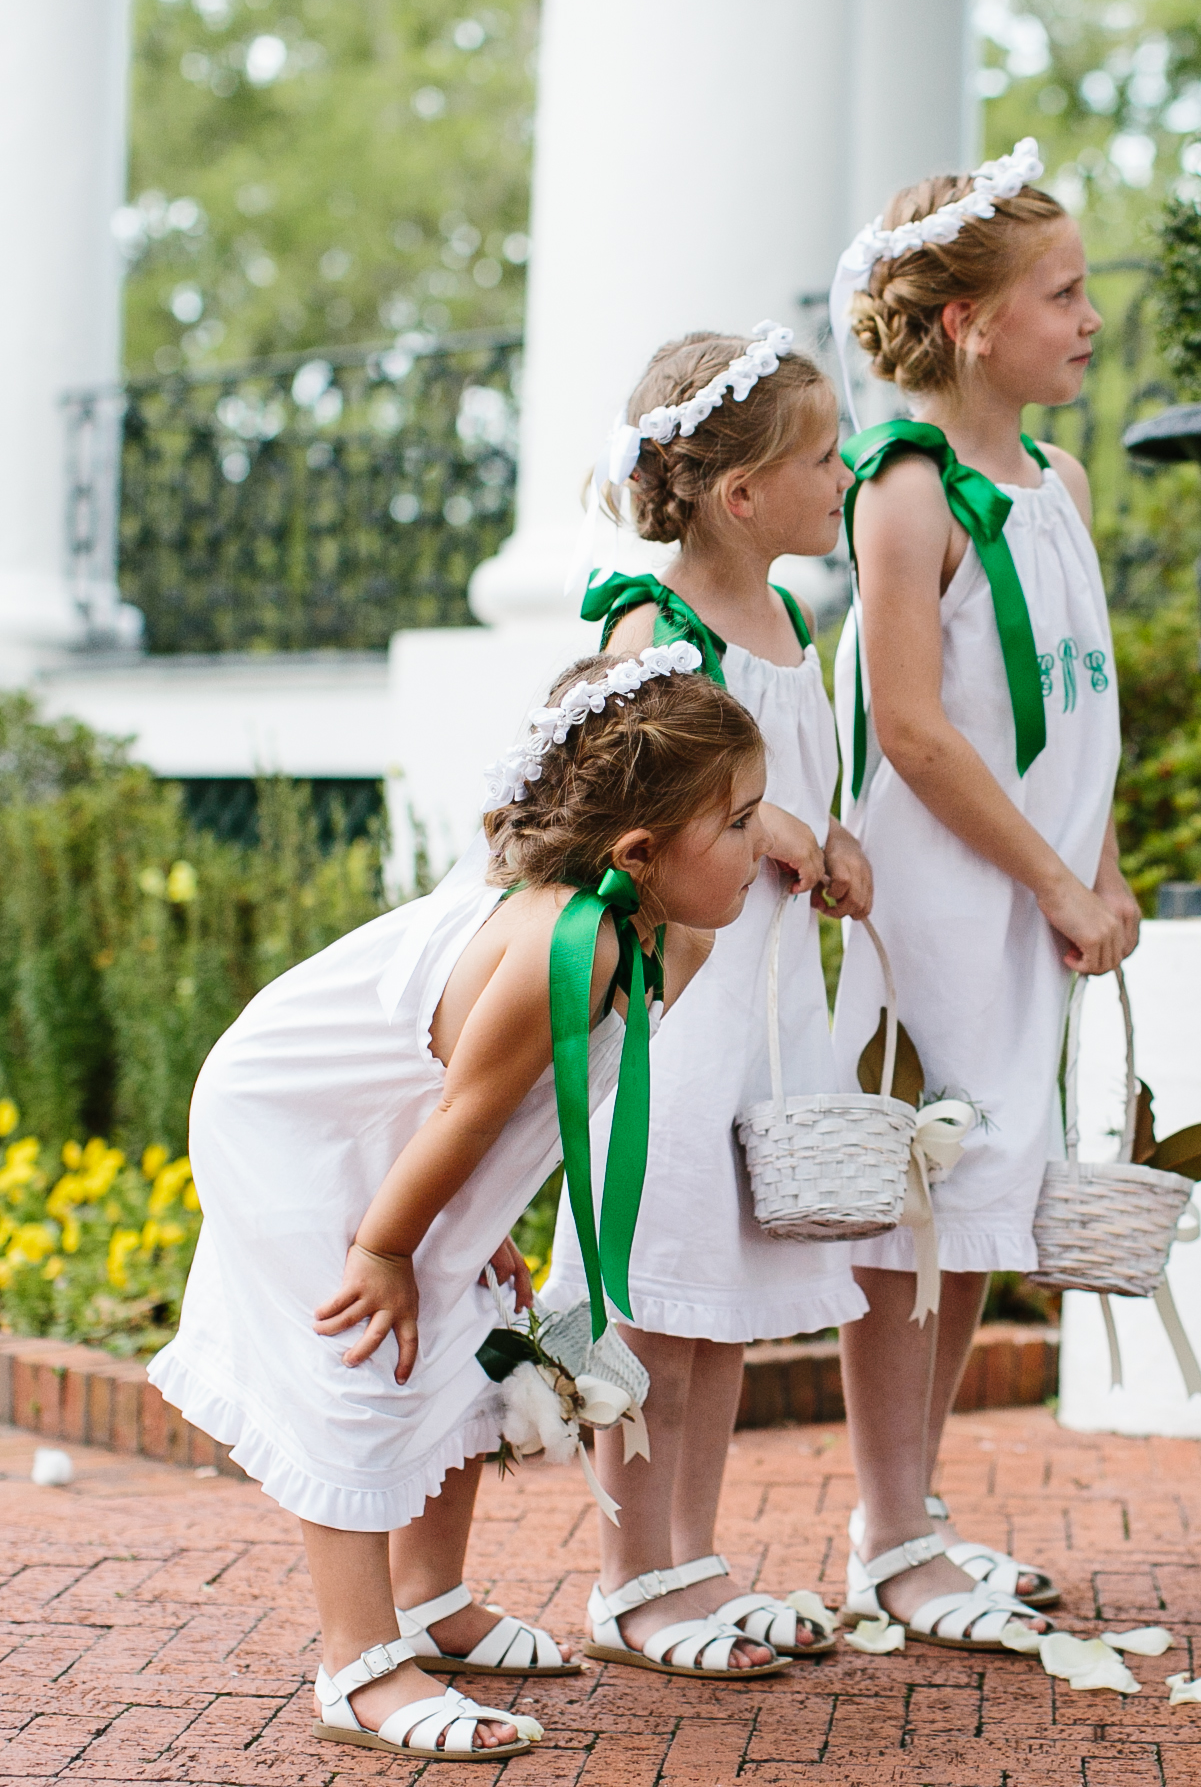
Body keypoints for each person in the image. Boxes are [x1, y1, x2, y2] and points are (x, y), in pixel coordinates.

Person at [148, 652, 767, 1756]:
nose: (762, 842)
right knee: (368, 1362)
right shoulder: (561, 952)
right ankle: (357, 1662)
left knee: (468, 1336)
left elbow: (503, 1115)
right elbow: (465, 1116)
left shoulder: (663, 933)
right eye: (739, 823)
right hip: (297, 1122)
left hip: (395, 1120)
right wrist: (389, 1249)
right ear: (639, 853)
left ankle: (430, 1598)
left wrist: (478, 1235)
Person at [826, 140, 1132, 1647]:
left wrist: (1105, 869)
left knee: (989, 1201)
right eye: (1063, 294)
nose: (1089, 318)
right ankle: (887, 1531)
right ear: (968, 324)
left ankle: (917, 1511)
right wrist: (1049, 883)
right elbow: (912, 729)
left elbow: (1084, 707)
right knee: (920, 1220)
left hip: (1035, 900)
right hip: (946, 904)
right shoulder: (902, 489)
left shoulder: (1059, 478)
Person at [548, 324, 872, 1675]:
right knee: (655, 1289)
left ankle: (692, 1558)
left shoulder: (793, 619)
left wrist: (834, 835)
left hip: (770, 1009)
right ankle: (629, 1578)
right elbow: (624, 800)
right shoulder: (652, 626)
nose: (847, 477)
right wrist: (780, 821)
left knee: (724, 1296)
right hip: (677, 1009)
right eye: (824, 458)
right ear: (741, 495)